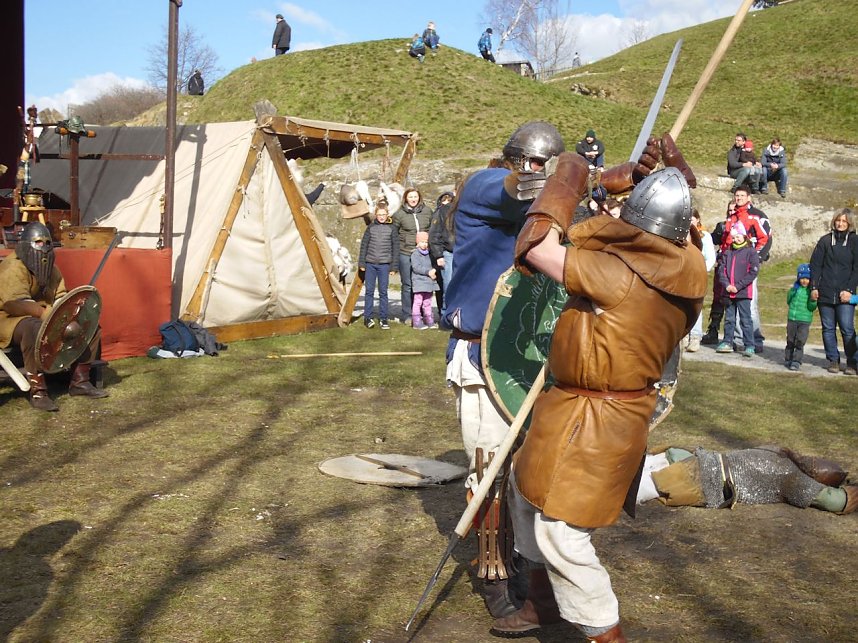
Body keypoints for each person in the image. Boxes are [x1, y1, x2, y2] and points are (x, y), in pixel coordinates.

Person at [492, 140, 704, 641]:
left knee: (561, 533)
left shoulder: (617, 275)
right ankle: (541, 603)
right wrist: (654, 176)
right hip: (580, 407)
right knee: (524, 494)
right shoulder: (690, 267)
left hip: (595, 420)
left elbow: (537, 248)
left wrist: (570, 176)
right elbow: (683, 223)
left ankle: (605, 634)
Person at [442, 121, 565, 618]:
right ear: (514, 158)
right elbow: (519, 191)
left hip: (529, 358)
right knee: (489, 469)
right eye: (534, 162)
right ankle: (493, 572)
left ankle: (528, 564)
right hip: (480, 354)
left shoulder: (552, 206)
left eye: (549, 165)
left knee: (529, 472)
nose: (540, 172)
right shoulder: (483, 186)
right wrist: (571, 175)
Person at [0, 222, 109, 412]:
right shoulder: (13, 266)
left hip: (45, 316)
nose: (43, 247)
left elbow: (61, 296)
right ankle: (38, 391)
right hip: (8, 319)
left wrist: (70, 314)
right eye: (38, 242)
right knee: (32, 328)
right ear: (25, 244)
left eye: (47, 243)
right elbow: (14, 303)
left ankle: (80, 382)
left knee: (88, 324)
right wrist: (46, 314)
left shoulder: (52, 269)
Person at [637, 445, 857, 515]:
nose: (816, 461)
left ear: (817, 478)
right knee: (635, 472)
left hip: (694, 474)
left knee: (636, 482)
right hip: (693, 466)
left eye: (823, 467)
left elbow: (834, 499)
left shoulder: (796, 477)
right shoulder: (784, 458)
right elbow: (835, 498)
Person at [720, 186, 771, 353]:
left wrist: (756, 257)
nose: (739, 198)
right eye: (737, 195)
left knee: (750, 305)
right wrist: (723, 257)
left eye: (742, 195)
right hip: (731, 265)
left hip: (747, 266)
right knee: (731, 305)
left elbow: (765, 238)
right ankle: (734, 339)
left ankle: (755, 340)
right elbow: (726, 241)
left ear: (749, 197)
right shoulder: (731, 217)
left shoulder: (756, 216)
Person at [809, 208, 858, 375]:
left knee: (847, 329)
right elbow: (815, 266)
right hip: (825, 292)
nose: (840, 224)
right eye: (838, 220)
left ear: (849, 223)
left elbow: (856, 269)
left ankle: (852, 362)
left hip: (846, 294)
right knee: (828, 328)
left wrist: (849, 290)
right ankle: (833, 360)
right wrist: (814, 287)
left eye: (844, 221)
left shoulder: (854, 241)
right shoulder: (825, 241)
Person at [715, 221, 760, 358]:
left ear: (744, 236)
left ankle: (749, 344)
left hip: (743, 292)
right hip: (728, 292)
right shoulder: (728, 252)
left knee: (745, 320)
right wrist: (727, 285)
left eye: (738, 236)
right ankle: (727, 341)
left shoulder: (751, 252)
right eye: (734, 237)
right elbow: (721, 271)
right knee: (729, 319)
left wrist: (738, 286)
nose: (736, 239)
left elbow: (753, 272)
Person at [392, 187, 433, 324]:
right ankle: (408, 314)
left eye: (415, 196)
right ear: (406, 198)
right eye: (410, 197)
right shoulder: (399, 214)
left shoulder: (427, 211)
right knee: (408, 284)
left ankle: (422, 313)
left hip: (424, 253)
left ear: (419, 197)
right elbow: (394, 234)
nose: (413, 199)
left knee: (423, 284)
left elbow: (432, 229)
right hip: (406, 252)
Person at [358, 203, 398, 330]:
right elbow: (364, 245)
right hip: (370, 264)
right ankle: (368, 317)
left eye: (383, 214)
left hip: (384, 265)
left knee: (383, 292)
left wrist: (394, 267)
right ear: (376, 215)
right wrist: (362, 263)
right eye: (379, 214)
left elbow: (395, 248)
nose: (381, 217)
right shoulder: (371, 227)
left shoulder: (392, 228)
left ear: (387, 215)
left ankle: (383, 318)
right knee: (369, 291)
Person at [684, 209, 716, 352]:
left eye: (692, 219)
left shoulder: (705, 236)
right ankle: (683, 335)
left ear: (697, 219)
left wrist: (702, 270)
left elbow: (710, 258)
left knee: (695, 304)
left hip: (697, 274)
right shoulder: (681, 233)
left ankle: (695, 336)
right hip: (683, 274)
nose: (690, 222)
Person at [784, 263, 817, 370]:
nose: (804, 281)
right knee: (790, 340)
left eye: (807, 279)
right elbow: (789, 301)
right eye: (802, 278)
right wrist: (791, 292)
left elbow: (812, 307)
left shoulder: (811, 292)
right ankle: (788, 358)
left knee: (800, 341)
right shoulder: (795, 289)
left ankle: (796, 361)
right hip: (792, 318)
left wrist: (813, 300)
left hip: (804, 321)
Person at [428, 191, 455, 315]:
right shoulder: (440, 212)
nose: (447, 203)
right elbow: (434, 234)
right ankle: (445, 314)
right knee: (448, 285)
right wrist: (439, 255)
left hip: (461, 251)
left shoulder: (462, 210)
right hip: (448, 252)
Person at [410, 231, 439, 329]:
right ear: (418, 243)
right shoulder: (415, 254)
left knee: (427, 302)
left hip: (429, 282)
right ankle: (416, 321)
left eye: (426, 242)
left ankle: (429, 320)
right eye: (422, 242)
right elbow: (416, 267)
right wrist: (428, 272)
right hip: (419, 281)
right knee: (418, 301)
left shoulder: (430, 254)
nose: (424, 244)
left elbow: (434, 265)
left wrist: (434, 271)